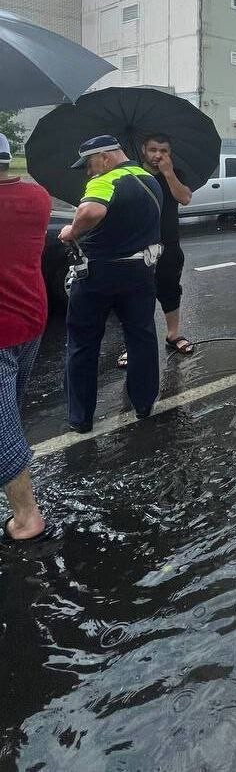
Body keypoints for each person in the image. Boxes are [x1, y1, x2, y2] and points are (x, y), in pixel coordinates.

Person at [59, 135, 163, 432]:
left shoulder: (106, 179)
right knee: (141, 337)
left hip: (98, 275)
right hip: (141, 272)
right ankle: (143, 404)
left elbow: (91, 211)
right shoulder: (149, 179)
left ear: (105, 157)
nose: (88, 171)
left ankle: (80, 418)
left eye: (89, 164)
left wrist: (70, 231)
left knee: (83, 343)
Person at [0, 133, 54, 542]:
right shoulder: (38, 198)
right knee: (10, 408)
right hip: (31, 315)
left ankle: (27, 517)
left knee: (2, 424)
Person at [116, 134, 194, 367]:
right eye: (153, 150)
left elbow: (185, 198)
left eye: (164, 151)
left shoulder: (175, 174)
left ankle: (173, 335)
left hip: (168, 245)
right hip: (137, 248)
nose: (158, 155)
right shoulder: (129, 174)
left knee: (170, 290)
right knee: (136, 296)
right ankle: (133, 344)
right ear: (143, 150)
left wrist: (169, 174)